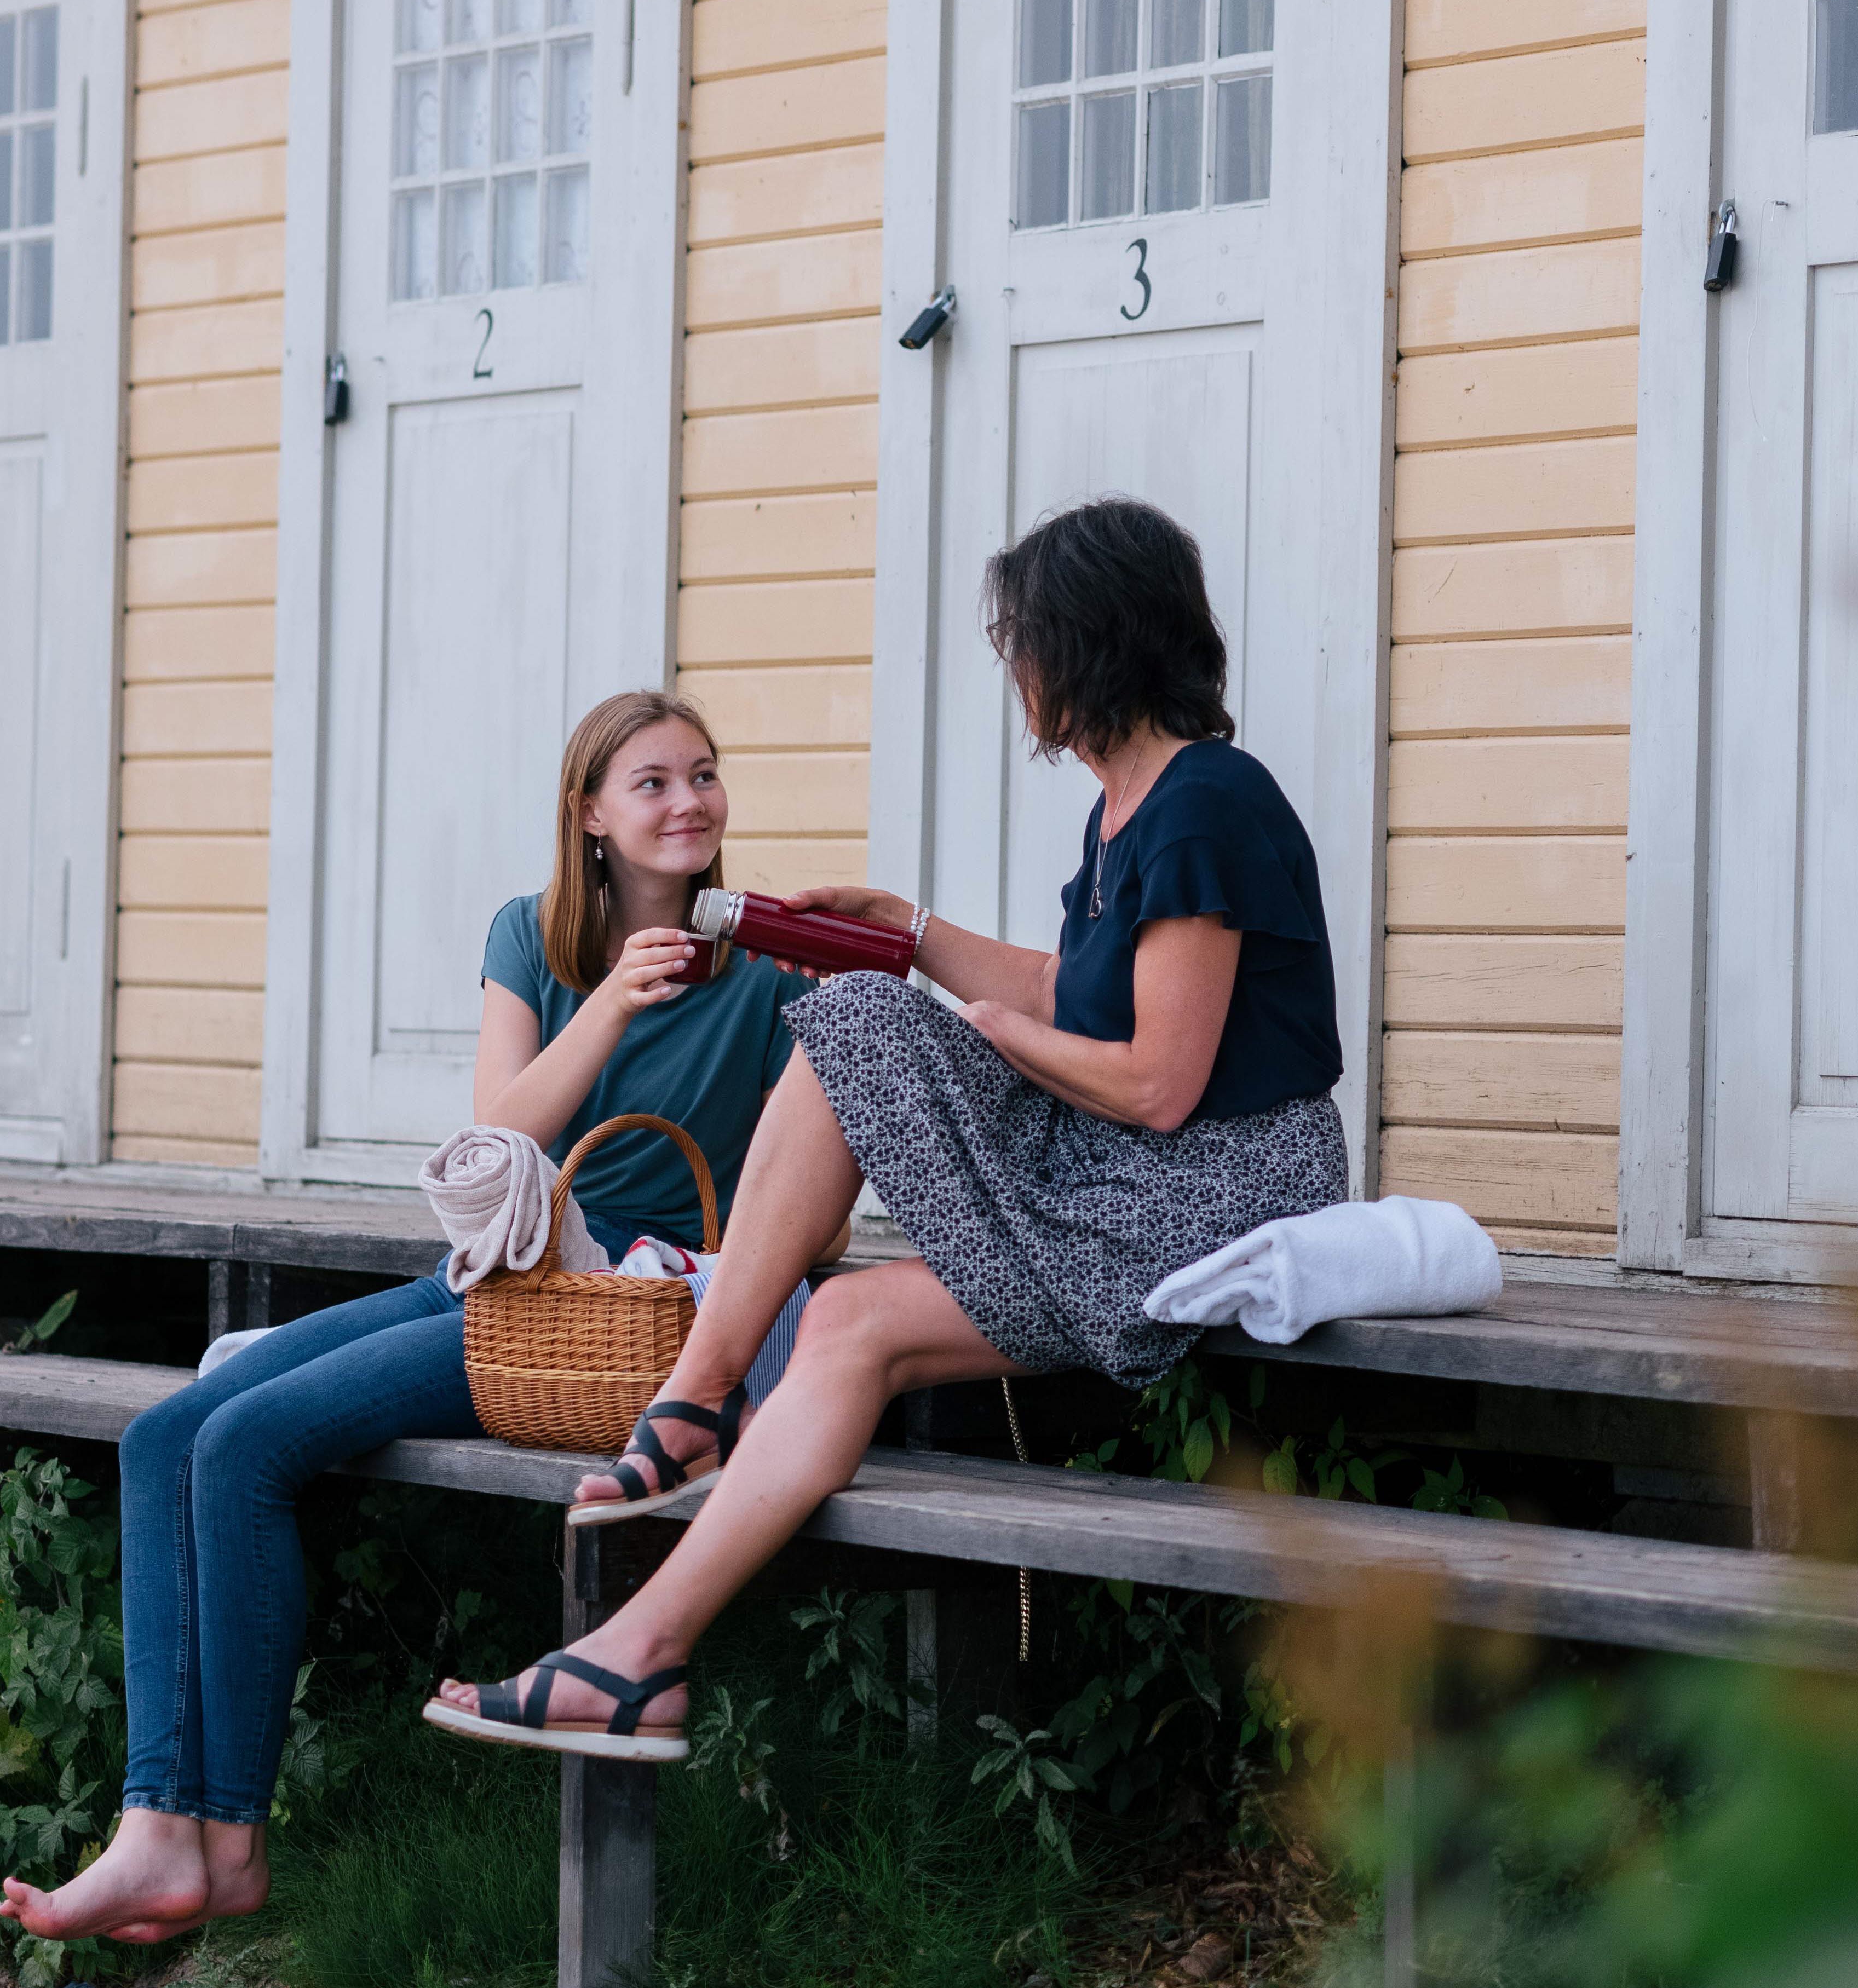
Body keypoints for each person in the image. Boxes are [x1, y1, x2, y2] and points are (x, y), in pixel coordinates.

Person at [424, 498, 1348, 1760]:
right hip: (1131, 1178)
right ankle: (636, 1658)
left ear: (1088, 645)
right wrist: (911, 934)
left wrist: (971, 1028)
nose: (1014, 669)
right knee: (849, 1315)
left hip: (1206, 1187)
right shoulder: (1130, 807)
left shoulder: (1208, 805)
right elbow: (1075, 994)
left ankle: (693, 1392)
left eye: (1024, 641)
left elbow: (1156, 1085)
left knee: (855, 1020)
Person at [2, 689, 813, 1937]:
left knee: (244, 1444)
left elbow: (787, 1189)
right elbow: (496, 1140)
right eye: (651, 781)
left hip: (622, 1318)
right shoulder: (531, 936)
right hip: (507, 1284)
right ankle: (163, 1826)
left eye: (703, 774)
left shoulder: (764, 964)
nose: (689, 800)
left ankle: (225, 1835)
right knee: (159, 1436)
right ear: (589, 814)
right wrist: (608, 1004)